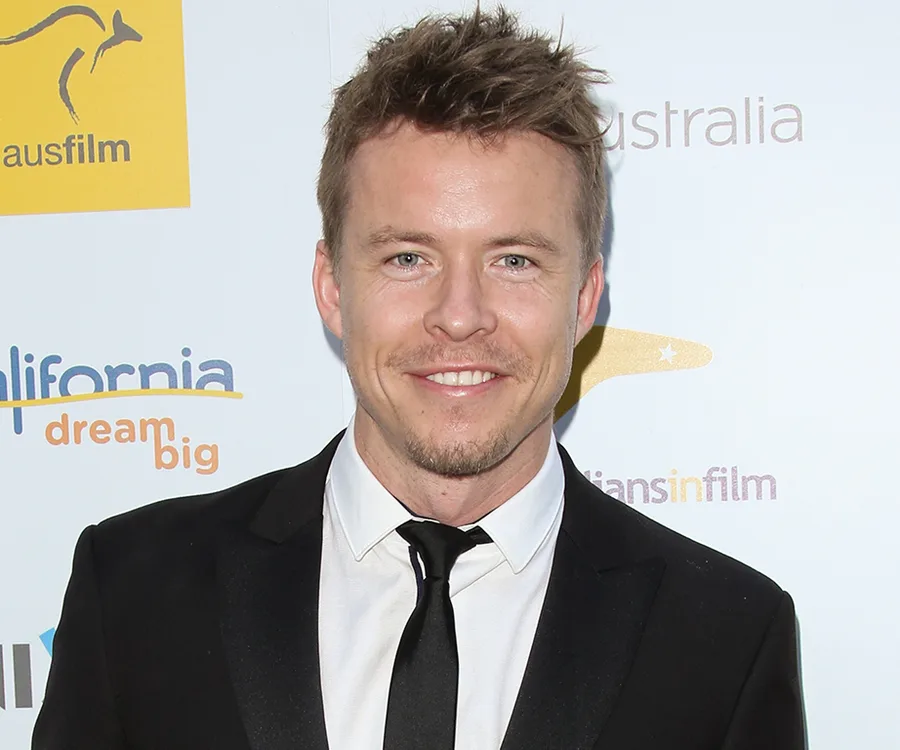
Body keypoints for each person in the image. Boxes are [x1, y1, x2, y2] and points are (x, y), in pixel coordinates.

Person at [32, 6, 805, 750]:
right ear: (333, 285)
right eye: (409, 257)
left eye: (514, 260)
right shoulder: (134, 591)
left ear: (585, 298)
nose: (460, 315)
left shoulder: (725, 638)